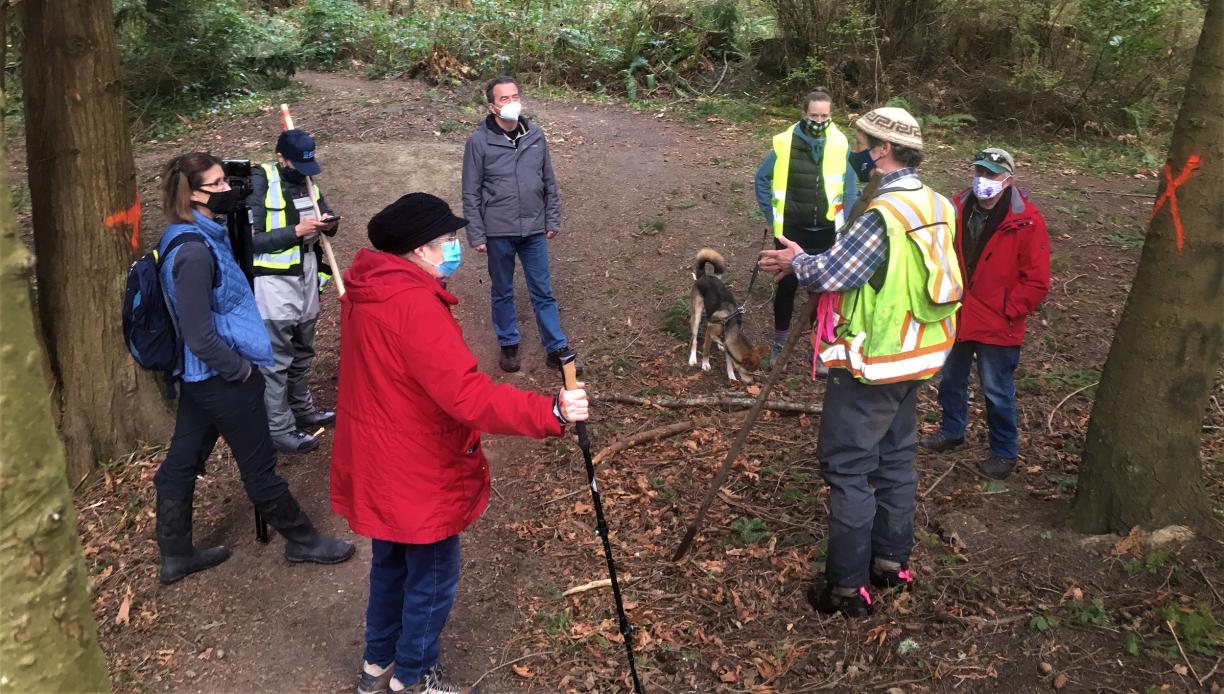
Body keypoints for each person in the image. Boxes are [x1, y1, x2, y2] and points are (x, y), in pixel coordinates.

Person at [330, 193, 589, 694]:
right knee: (429, 580)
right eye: (447, 241)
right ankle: (413, 677)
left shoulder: (367, 290)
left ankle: (375, 665)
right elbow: (466, 396)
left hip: (379, 462)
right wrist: (550, 411)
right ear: (418, 251)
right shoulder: (412, 306)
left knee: (389, 568)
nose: (453, 248)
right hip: (415, 469)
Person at [758, 107, 962, 617]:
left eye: (864, 143)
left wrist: (795, 261)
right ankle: (891, 563)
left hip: (875, 361)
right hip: (920, 353)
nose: (858, 152)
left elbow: (839, 274)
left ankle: (846, 588)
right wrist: (814, 258)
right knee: (895, 457)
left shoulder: (883, 214)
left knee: (848, 466)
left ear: (883, 151)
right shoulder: (935, 201)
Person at [153, 152, 354, 586]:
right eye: (218, 184)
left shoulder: (198, 235)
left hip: (199, 380)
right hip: (221, 378)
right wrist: (241, 372)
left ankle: (175, 553)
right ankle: (302, 539)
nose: (228, 190)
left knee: (180, 463)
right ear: (192, 194)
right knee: (260, 467)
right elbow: (198, 334)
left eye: (226, 181)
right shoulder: (192, 252)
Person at [920, 148, 1050, 480]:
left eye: (991, 174)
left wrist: (1009, 310)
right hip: (958, 312)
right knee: (950, 378)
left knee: (996, 389)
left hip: (998, 321)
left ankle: (1004, 451)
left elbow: (1036, 280)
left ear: (1008, 180)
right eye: (979, 171)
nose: (983, 180)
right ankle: (952, 430)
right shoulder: (955, 208)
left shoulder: (1027, 221)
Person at [461, 76, 575, 374]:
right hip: (498, 229)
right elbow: (470, 191)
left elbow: (549, 181)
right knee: (502, 289)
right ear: (492, 107)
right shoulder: (478, 142)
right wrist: (476, 232)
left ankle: (555, 347)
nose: (512, 103)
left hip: (534, 228)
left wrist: (552, 218)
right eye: (504, 99)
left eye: (515, 96)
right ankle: (508, 342)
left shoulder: (535, 135)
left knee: (542, 289)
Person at [246, 128, 340, 455]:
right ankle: (279, 430)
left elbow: (327, 217)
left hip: (308, 279)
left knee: (303, 351)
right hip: (272, 284)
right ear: (280, 158)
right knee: (275, 360)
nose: (303, 174)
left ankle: (302, 410)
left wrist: (328, 223)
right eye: (297, 167)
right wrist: (296, 231)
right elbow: (250, 240)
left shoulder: (308, 180)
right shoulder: (261, 181)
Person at [754, 89, 859, 371]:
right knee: (786, 287)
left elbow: (849, 188)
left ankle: (821, 348)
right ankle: (779, 346)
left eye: (825, 115)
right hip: (791, 230)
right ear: (804, 113)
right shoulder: (785, 142)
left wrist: (847, 223)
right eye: (814, 115)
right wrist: (772, 215)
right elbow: (762, 179)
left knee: (822, 290)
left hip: (827, 230)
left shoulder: (839, 143)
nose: (819, 120)